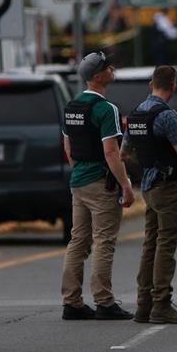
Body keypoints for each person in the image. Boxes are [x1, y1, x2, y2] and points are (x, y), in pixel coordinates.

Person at [60, 51, 135, 321]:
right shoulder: (106, 109)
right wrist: (125, 185)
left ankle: (72, 301)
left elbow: (68, 145)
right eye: (107, 67)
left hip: (78, 181)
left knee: (78, 240)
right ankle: (104, 301)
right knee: (104, 241)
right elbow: (111, 152)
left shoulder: (72, 106)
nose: (111, 68)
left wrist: (78, 168)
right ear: (97, 76)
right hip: (100, 183)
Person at [124, 65, 177, 324]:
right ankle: (161, 304)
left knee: (150, 245)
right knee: (165, 245)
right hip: (168, 186)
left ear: (150, 83)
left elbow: (125, 152)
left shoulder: (136, 114)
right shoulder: (166, 116)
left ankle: (144, 304)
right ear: (173, 86)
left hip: (148, 186)